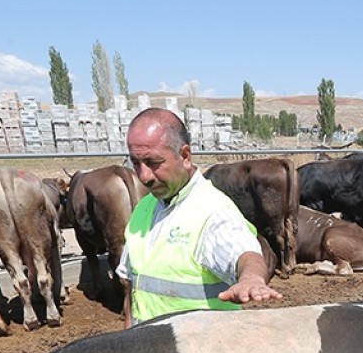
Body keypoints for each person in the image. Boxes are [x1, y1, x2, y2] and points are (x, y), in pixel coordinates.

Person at [116, 107, 282, 326]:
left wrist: (251, 277)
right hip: (148, 350)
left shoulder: (213, 210)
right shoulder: (144, 208)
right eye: (135, 163)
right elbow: (133, 287)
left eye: (153, 163)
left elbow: (244, 252)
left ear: (185, 156)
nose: (144, 176)